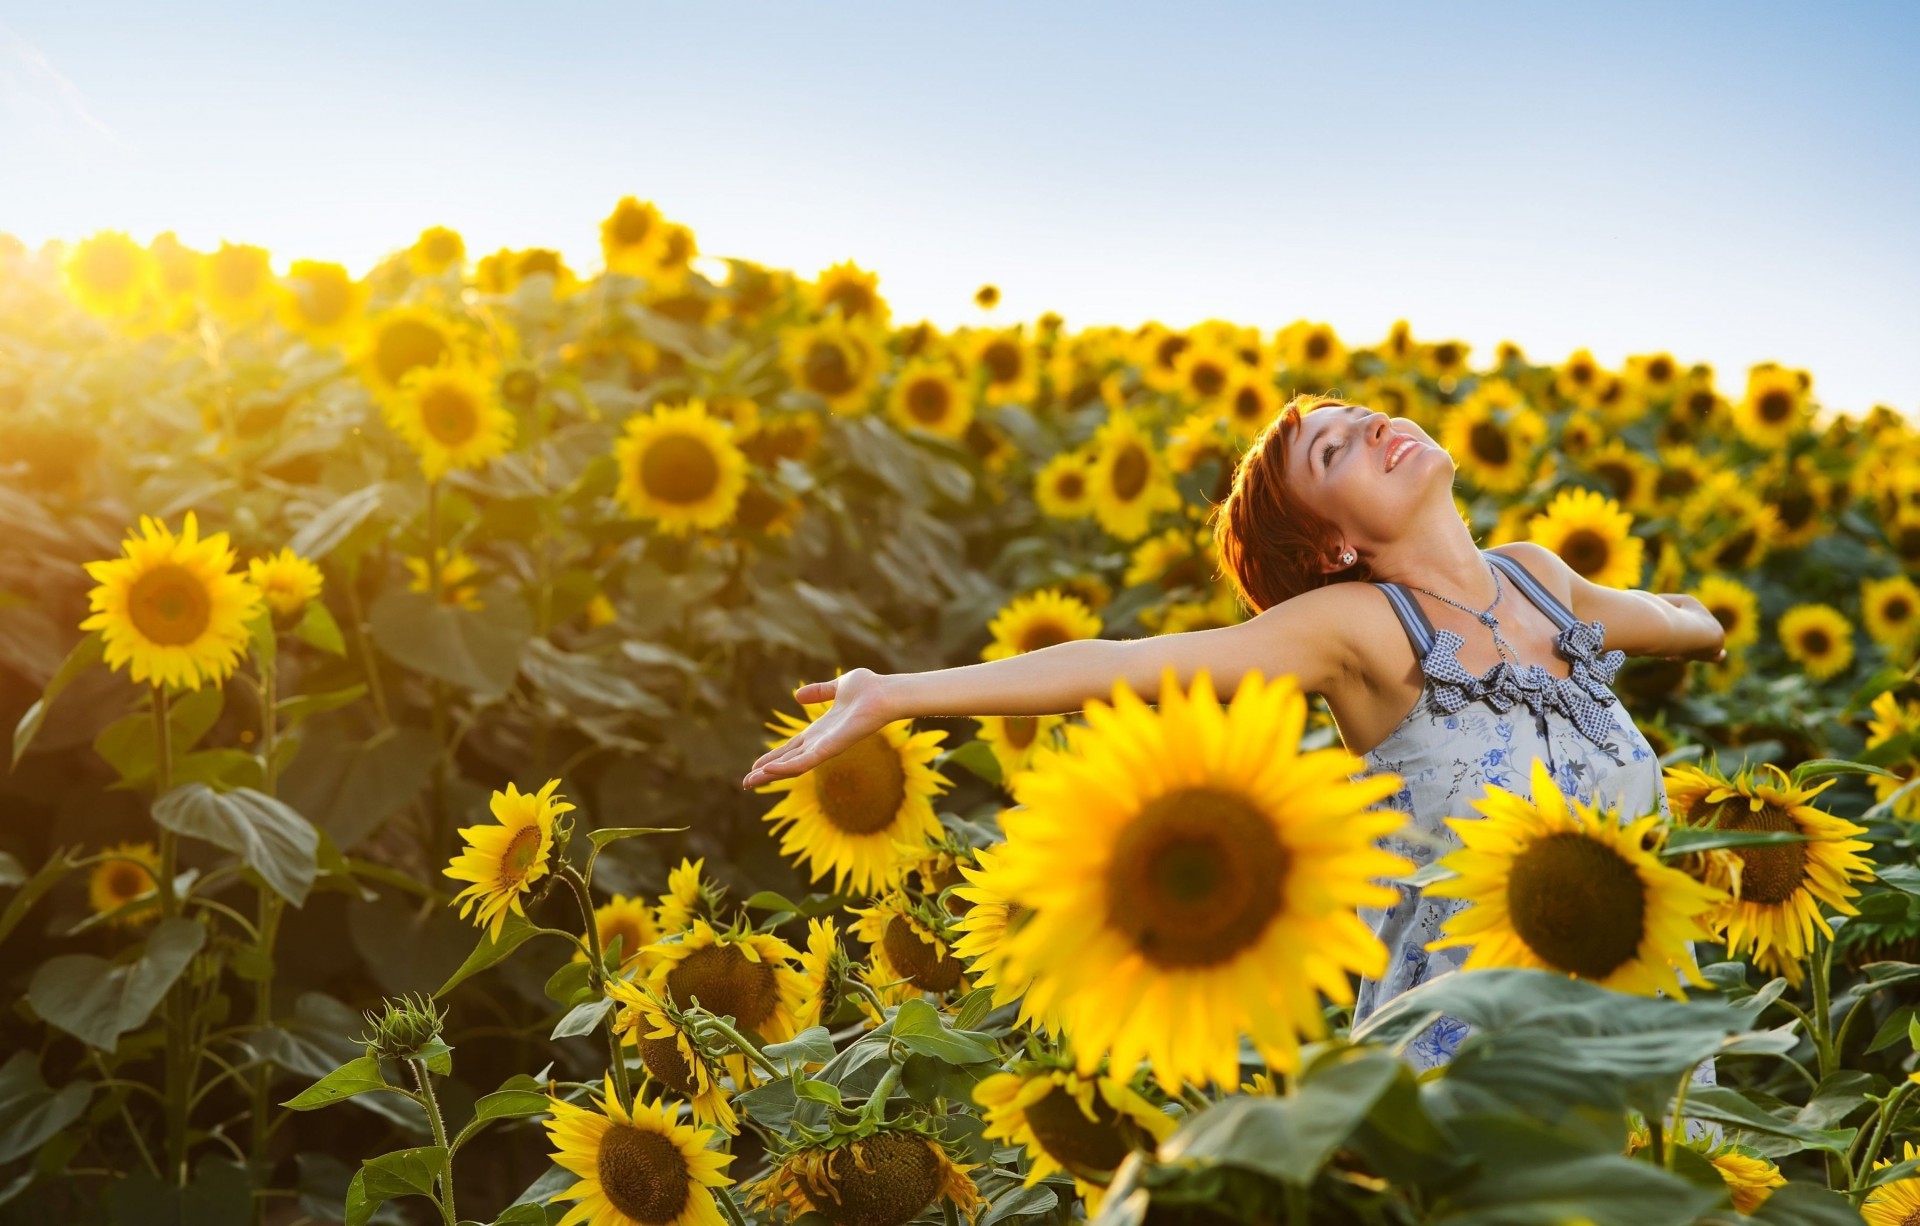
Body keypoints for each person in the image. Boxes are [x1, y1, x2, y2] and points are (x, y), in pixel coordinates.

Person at [739, 392, 1728, 1075]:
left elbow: (1678, 617)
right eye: (1335, 450)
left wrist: (1707, 626)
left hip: (1645, 1050)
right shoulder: (1360, 631)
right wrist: (897, 691)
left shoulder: (1540, 582)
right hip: (1468, 1095)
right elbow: (1121, 666)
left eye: (1361, 415)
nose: (1374, 426)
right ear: (1335, 542)